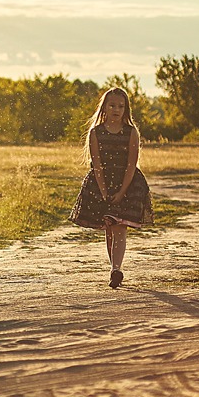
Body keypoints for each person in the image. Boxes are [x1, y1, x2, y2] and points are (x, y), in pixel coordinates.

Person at [68, 86, 153, 288]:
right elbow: (96, 165)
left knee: (120, 227)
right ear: (104, 107)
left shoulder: (132, 133)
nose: (116, 109)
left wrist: (122, 191)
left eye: (121, 106)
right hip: (101, 184)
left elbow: (132, 164)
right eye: (112, 105)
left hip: (128, 183)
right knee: (109, 227)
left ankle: (116, 269)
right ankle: (114, 268)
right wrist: (105, 191)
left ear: (126, 109)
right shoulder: (95, 133)